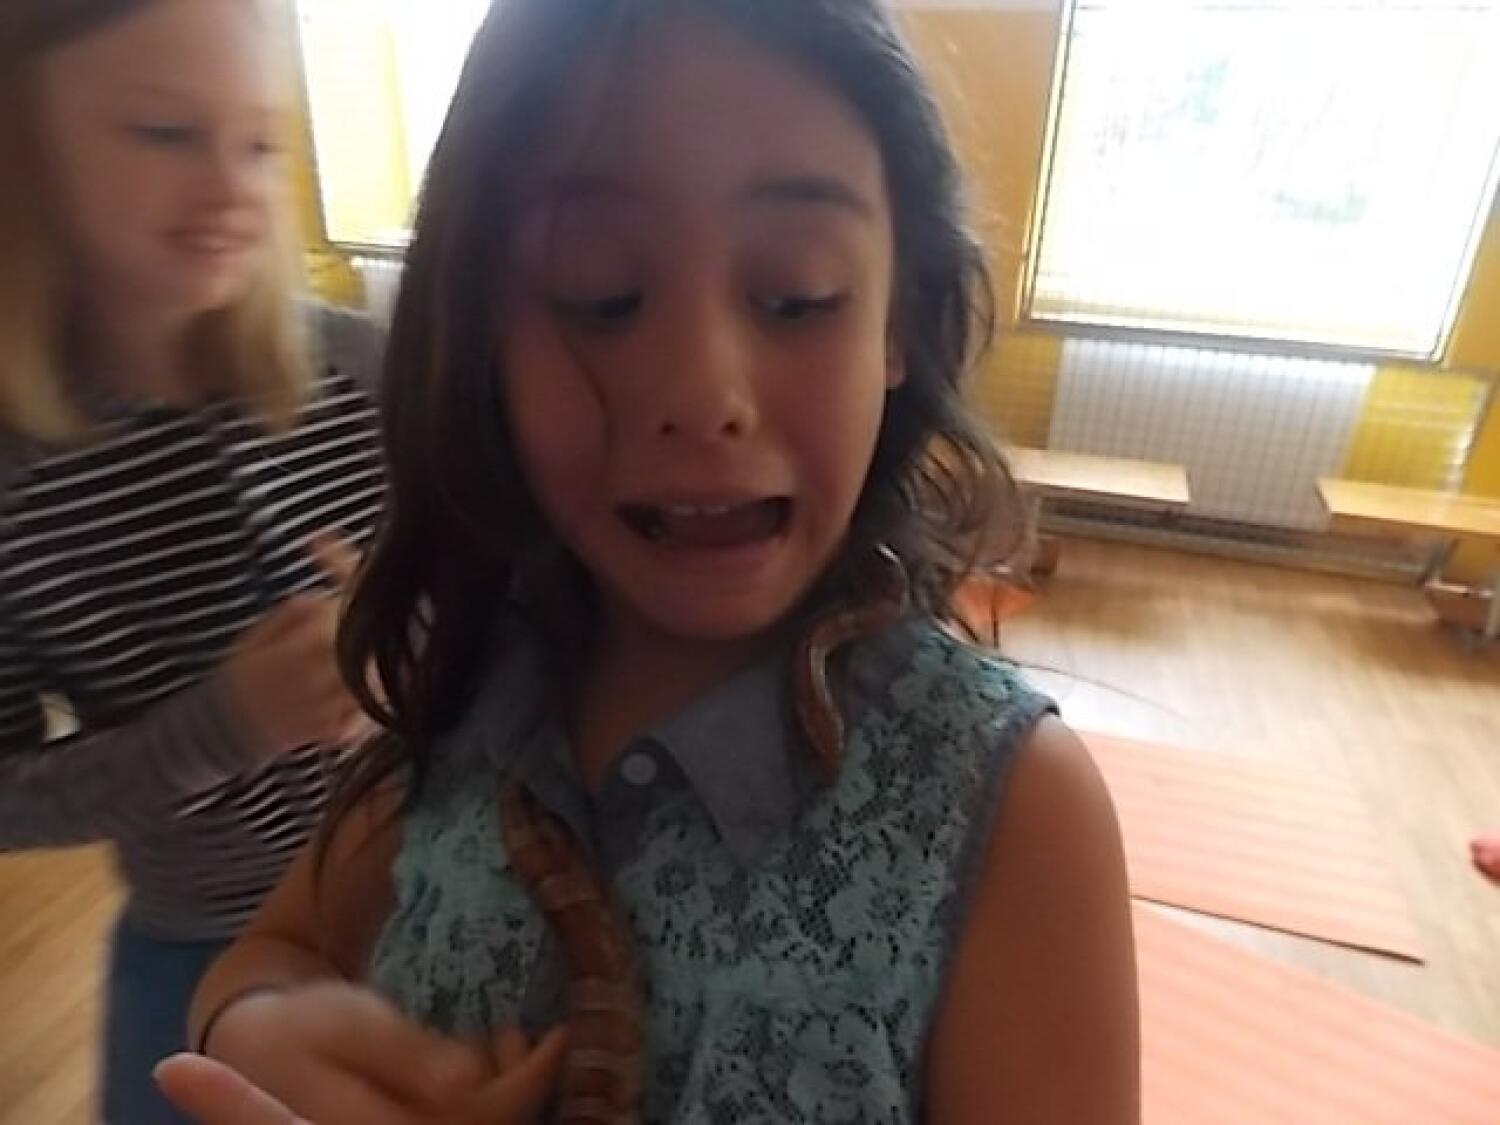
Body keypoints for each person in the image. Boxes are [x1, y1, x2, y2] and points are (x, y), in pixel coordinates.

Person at [157, 0, 1139, 1121]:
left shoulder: (1006, 810)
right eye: (601, 294)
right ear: (486, 332)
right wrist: (259, 1023)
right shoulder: (472, 683)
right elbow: (271, 953)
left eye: (798, 295)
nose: (703, 392)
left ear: (897, 324)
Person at [0, 1, 385, 1120]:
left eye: (260, 141)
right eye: (165, 133)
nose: (232, 187)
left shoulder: (368, 375)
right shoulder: (15, 483)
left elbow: (526, 598)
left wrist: (421, 654)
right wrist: (224, 728)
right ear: (28, 149)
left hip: (442, 885)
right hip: (204, 942)